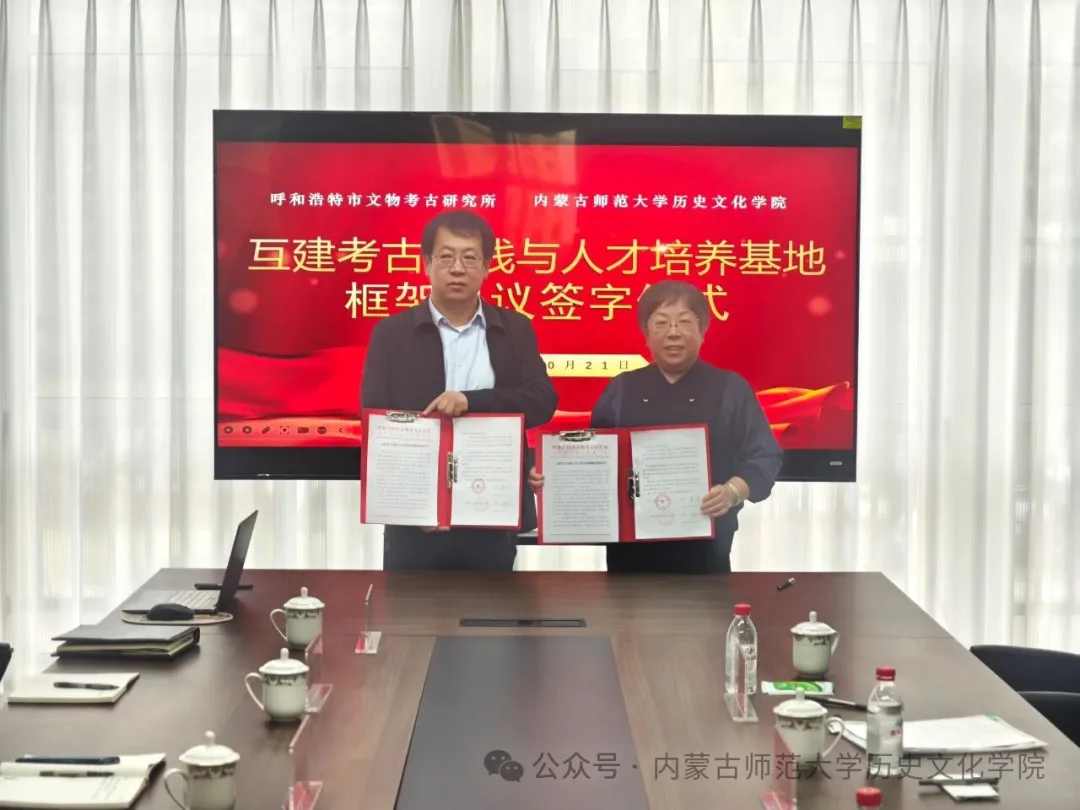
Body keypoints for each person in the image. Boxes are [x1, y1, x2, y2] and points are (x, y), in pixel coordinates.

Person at [528, 280, 782, 573]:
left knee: (705, 604)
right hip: (630, 553)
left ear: (703, 331)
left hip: (706, 551)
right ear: (646, 334)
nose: (673, 332)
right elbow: (593, 460)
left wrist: (732, 491)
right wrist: (553, 475)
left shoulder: (731, 389)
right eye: (661, 323)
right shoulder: (621, 389)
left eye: (684, 322)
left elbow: (765, 457)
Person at [361, 210, 557, 571]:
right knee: (409, 608)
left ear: (486, 267)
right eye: (446, 257)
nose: (457, 268)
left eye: (469, 258)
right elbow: (376, 423)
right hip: (415, 523)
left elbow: (542, 400)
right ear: (427, 264)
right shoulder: (391, 334)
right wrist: (413, 506)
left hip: (492, 512)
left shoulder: (514, 329)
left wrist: (471, 401)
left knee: (490, 607)